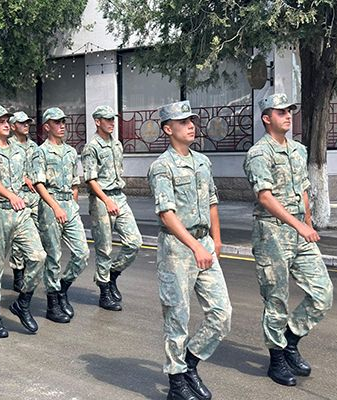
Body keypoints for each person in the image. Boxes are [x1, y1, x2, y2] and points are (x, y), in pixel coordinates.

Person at [243, 93, 333, 387]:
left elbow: (304, 190)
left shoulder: (297, 150)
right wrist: (299, 225)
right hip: (272, 233)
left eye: (289, 111)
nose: (288, 116)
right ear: (266, 118)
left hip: (300, 233)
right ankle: (277, 359)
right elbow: (265, 197)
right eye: (281, 112)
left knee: (322, 294)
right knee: (276, 300)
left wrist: (308, 223)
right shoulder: (259, 154)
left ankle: (290, 340)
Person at [148, 101, 232, 400]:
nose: (191, 126)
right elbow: (166, 215)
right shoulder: (162, 167)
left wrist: (216, 240)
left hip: (204, 244)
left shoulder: (202, 162)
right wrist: (195, 246)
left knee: (221, 314)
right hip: (177, 249)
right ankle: (176, 382)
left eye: (192, 120)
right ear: (168, 129)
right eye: (183, 122)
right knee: (177, 317)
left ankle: (190, 364)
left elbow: (212, 202)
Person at [0, 104, 47, 337]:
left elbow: (24, 175)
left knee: (38, 256)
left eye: (7, 120)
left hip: (20, 212)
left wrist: (27, 188)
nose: (6, 124)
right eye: (1, 121)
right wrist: (11, 196)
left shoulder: (18, 150)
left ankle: (23, 303)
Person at [81, 105, 143, 311]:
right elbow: (90, 180)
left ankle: (112, 274)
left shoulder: (117, 144)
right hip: (101, 200)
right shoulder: (91, 147)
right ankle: (104, 291)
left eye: (113, 119)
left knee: (134, 242)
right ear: (97, 121)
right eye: (107, 119)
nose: (111, 123)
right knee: (104, 248)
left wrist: (114, 199)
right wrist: (106, 200)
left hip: (119, 197)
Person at [31, 107, 89, 323]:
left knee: (82, 253)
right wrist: (55, 207)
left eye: (63, 122)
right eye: (57, 122)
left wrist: (72, 204)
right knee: (53, 256)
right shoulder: (40, 152)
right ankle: (52, 302)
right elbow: (39, 184)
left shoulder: (71, 152)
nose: (62, 125)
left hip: (69, 205)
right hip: (50, 204)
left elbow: (75, 182)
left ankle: (63, 287)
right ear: (47, 126)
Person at [8, 111, 41, 292]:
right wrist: (24, 178)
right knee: (17, 238)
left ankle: (30, 271)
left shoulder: (34, 146)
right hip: (18, 196)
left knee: (34, 234)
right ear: (13, 126)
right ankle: (18, 272)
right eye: (22, 123)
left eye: (27, 122)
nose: (26, 125)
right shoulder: (9, 146)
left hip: (35, 196)